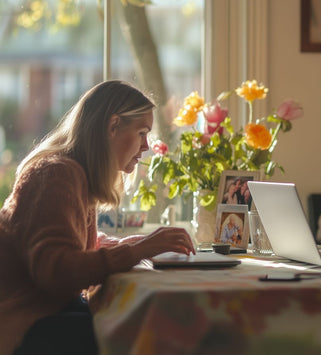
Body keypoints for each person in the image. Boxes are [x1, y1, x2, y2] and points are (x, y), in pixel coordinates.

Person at [0, 80, 196, 355]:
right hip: (24, 323)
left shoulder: (75, 174)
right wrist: (136, 250)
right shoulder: (56, 175)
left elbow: (72, 243)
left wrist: (127, 245)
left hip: (44, 312)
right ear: (112, 126)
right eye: (142, 133)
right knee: (154, 334)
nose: (147, 146)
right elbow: (55, 270)